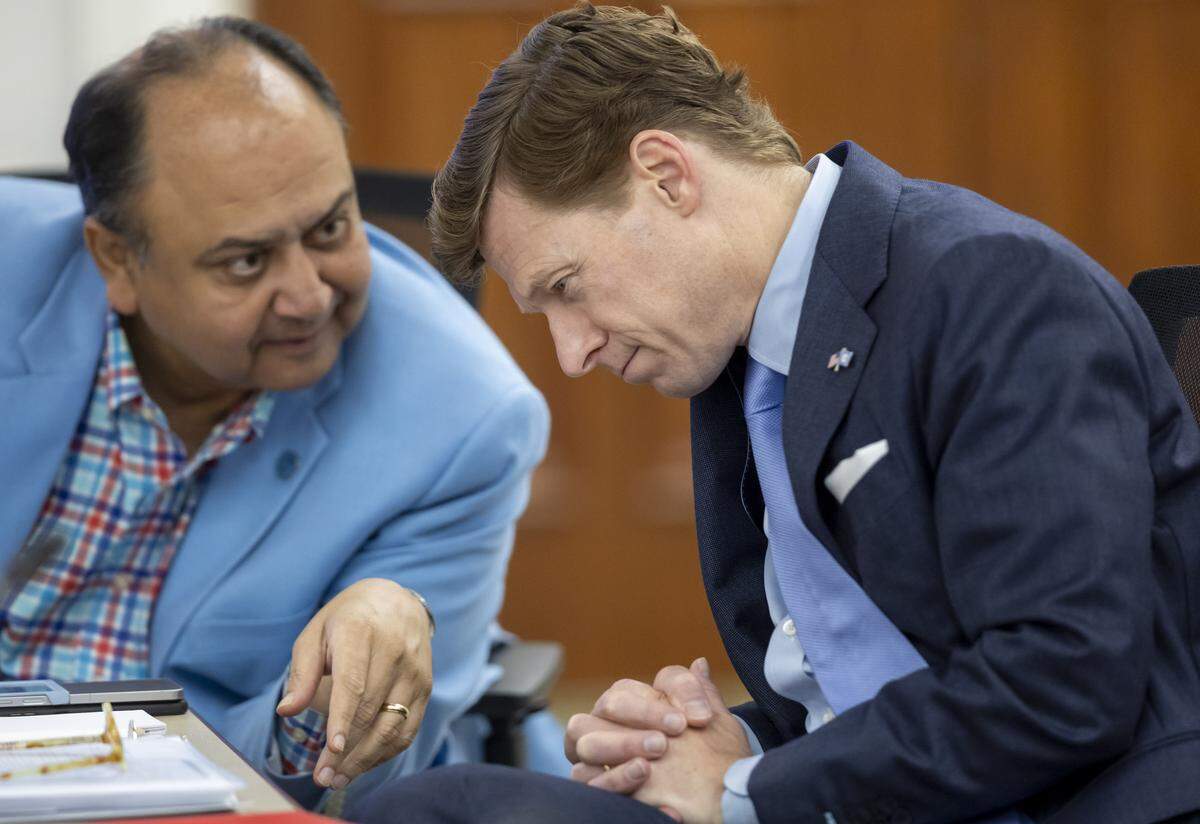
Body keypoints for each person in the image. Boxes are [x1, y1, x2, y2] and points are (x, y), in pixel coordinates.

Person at [352, 4, 1200, 823]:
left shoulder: (993, 288)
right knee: (433, 807)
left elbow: (1061, 684)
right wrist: (702, 746)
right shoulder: (741, 354)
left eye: (566, 288)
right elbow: (872, 685)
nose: (574, 354)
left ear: (666, 175)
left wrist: (749, 791)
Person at [0, 15, 550, 813]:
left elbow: (344, 785)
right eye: (247, 261)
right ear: (117, 259)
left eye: (331, 228)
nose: (309, 296)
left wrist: (356, 675)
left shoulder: (466, 419)